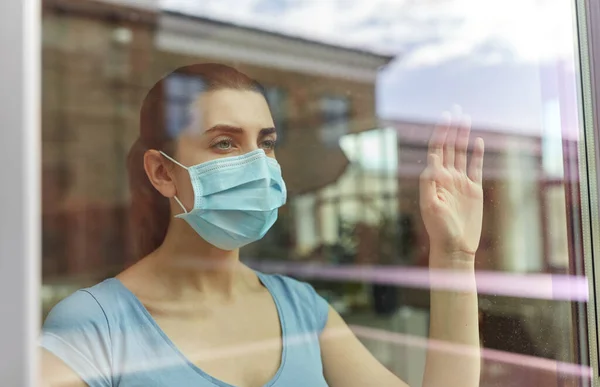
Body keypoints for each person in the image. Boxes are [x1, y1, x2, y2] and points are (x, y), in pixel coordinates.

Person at [39, 63, 484, 387]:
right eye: (225, 143)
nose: (256, 164)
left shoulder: (302, 310)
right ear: (162, 173)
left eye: (266, 143)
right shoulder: (96, 325)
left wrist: (455, 256)